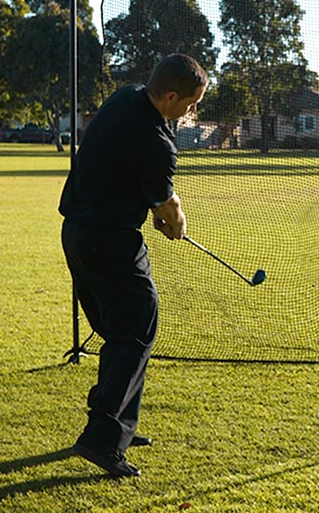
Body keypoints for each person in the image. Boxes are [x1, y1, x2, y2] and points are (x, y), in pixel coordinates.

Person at [59, 53, 208, 477]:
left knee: (121, 330)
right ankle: (103, 439)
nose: (192, 111)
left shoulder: (125, 98)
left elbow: (129, 176)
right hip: (110, 240)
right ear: (172, 97)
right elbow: (168, 206)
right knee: (138, 324)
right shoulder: (158, 143)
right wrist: (174, 224)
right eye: (191, 103)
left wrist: (156, 213)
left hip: (77, 233)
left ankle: (118, 424)